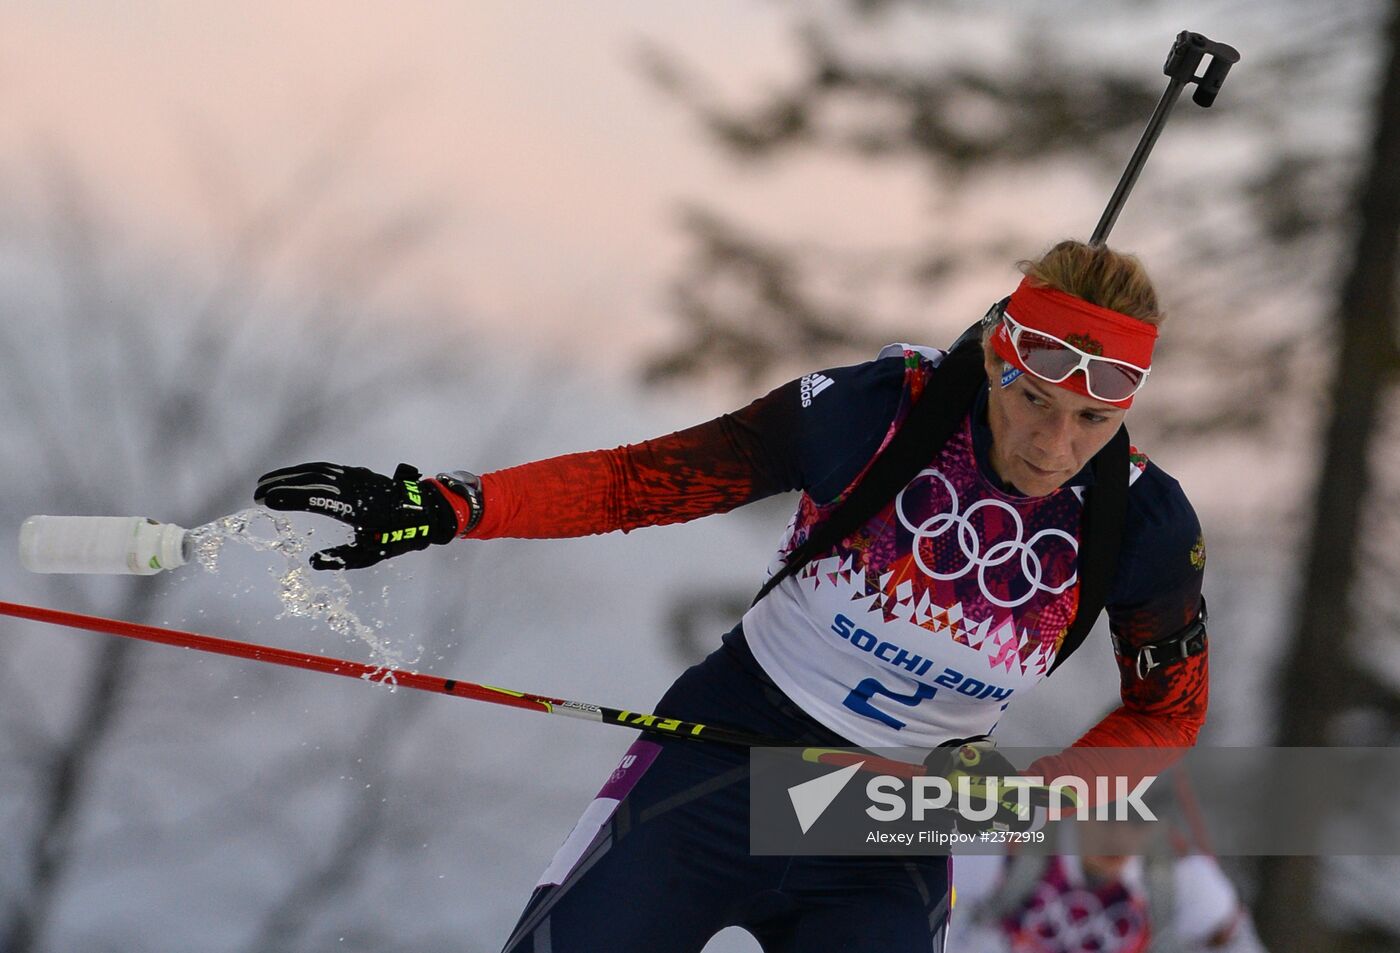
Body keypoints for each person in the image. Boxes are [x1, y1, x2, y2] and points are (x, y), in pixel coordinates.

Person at [254, 240, 1210, 953]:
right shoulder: (876, 413)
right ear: (1000, 360)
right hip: (725, 760)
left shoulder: (1144, 524)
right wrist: (457, 505)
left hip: (890, 813)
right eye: (1036, 401)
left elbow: (1170, 709)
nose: (1055, 445)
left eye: (1093, 418)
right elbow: (639, 479)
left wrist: (1030, 796)